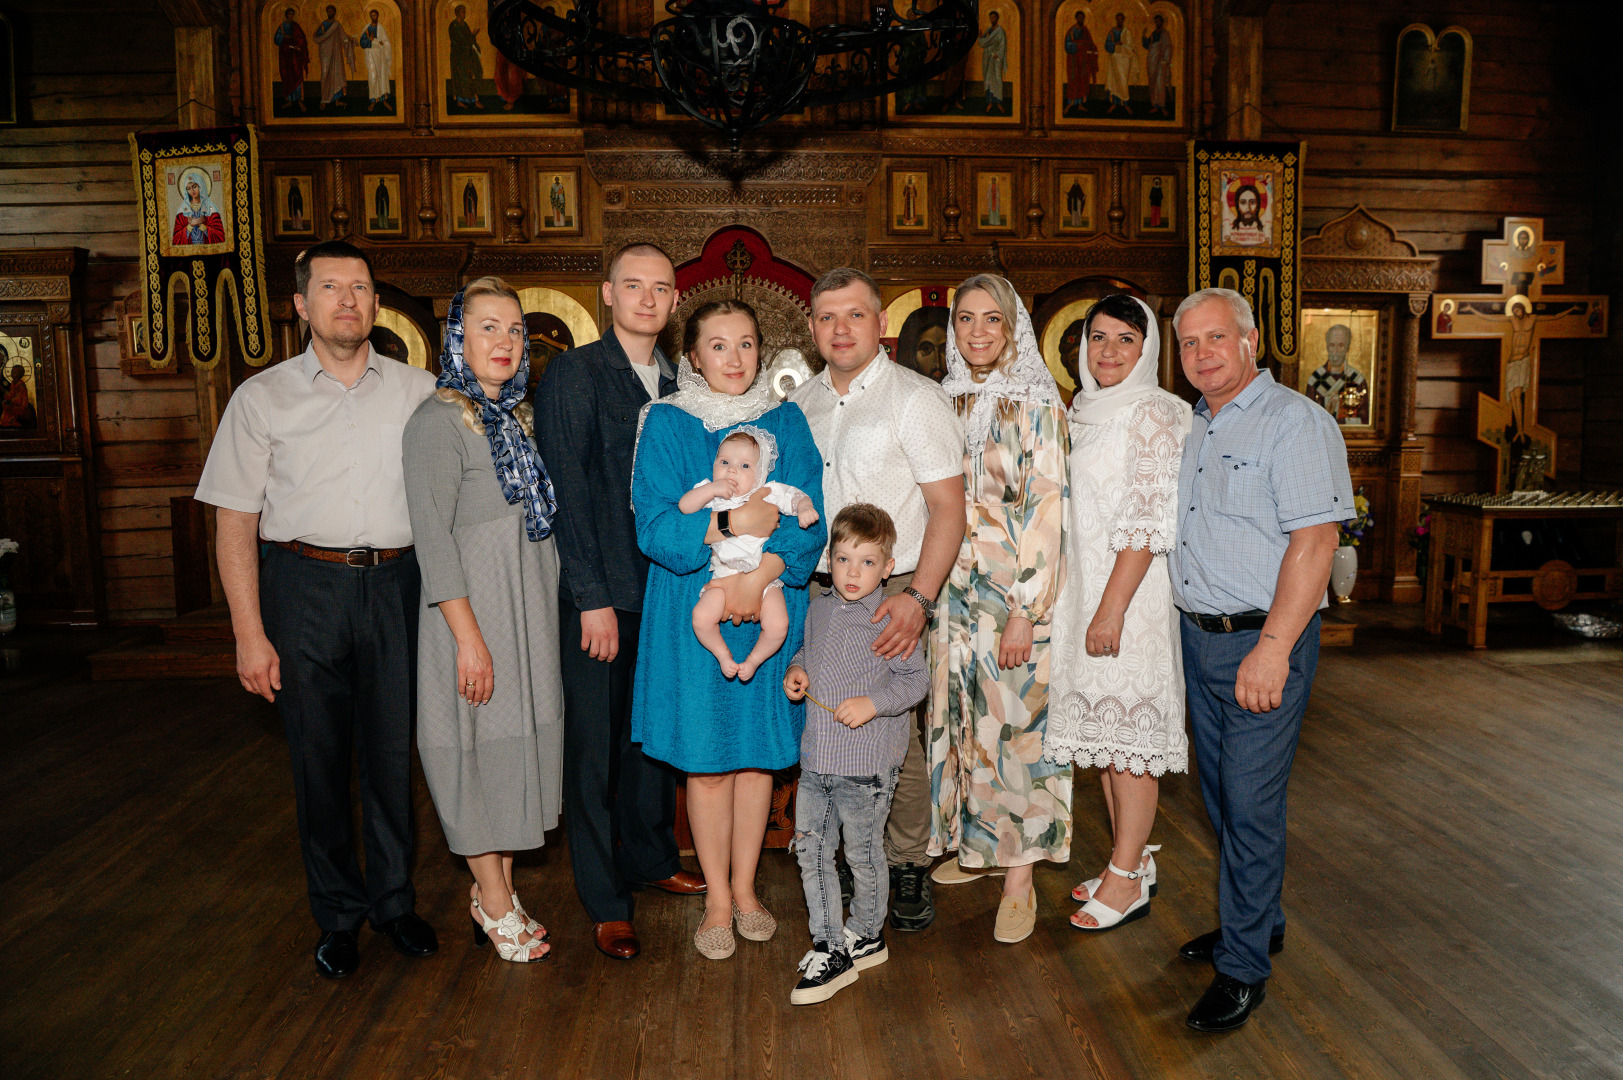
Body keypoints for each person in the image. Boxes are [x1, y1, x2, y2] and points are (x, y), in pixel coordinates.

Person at [194, 240, 438, 979]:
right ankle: (338, 915)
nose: (347, 301)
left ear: (375, 303)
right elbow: (233, 519)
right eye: (330, 288)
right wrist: (247, 633)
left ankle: (394, 903)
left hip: (399, 584)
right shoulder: (261, 398)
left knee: (393, 756)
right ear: (301, 305)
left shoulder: (419, 391)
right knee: (320, 759)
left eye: (360, 289)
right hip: (304, 586)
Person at [1169, 287, 1351, 1032]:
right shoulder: (1191, 425)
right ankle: (1258, 918)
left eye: (1216, 338)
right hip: (1196, 638)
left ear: (1250, 342)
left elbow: (1315, 543)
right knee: (1218, 798)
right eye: (1188, 345)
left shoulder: (1295, 424)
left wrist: (1272, 649)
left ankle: (1243, 966)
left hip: (1260, 640)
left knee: (1248, 805)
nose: (1202, 355)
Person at [631, 299, 827, 959]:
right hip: (691, 609)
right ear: (691, 355)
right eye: (717, 345)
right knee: (707, 763)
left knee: (755, 760)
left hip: (770, 598)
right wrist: (724, 529)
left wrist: (757, 575)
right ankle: (715, 897)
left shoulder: (785, 419)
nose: (734, 358)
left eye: (746, 344)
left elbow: (811, 516)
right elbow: (655, 527)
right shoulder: (664, 421)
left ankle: (746, 889)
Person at [535, 243, 706, 962]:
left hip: (666, 592)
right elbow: (567, 494)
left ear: (673, 302)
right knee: (597, 753)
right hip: (603, 596)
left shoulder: (682, 382)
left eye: (660, 288)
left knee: (650, 742)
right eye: (632, 285)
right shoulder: (576, 373)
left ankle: (651, 858)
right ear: (606, 294)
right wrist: (590, 598)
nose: (646, 298)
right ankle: (606, 899)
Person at [789, 267, 965, 933]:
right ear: (810, 328)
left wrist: (917, 597)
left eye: (854, 315)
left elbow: (949, 508)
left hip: (894, 587)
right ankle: (842, 851)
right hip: (821, 587)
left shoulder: (915, 400)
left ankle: (905, 862)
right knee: (830, 721)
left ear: (878, 324)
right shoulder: (799, 404)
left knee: (895, 733)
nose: (840, 328)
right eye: (827, 317)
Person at [403, 277, 562, 964]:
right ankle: (491, 900)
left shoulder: (512, 420)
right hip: (470, 621)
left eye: (515, 330)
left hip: (523, 615)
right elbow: (433, 541)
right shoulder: (436, 422)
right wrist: (469, 640)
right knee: (472, 757)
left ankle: (498, 891)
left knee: (505, 756)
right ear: (457, 339)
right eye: (488, 328)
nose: (504, 342)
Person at [926, 274, 1071, 944]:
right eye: (965, 320)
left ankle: (1019, 879)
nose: (978, 332)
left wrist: (1026, 610)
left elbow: (1047, 509)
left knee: (1016, 735)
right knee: (964, 726)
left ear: (1014, 329)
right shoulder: (942, 401)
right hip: (951, 595)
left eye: (992, 320)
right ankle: (979, 847)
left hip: (1011, 593)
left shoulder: (1037, 404)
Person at [1045, 294, 1190, 932]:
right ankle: (1127, 861)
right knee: (1105, 740)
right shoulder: (1084, 410)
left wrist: (1110, 612)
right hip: (1087, 595)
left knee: (1129, 741)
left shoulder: (1157, 412)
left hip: (1130, 599)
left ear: (1148, 349)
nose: (1108, 351)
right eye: (1098, 337)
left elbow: (1146, 525)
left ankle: (1127, 876)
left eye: (1125, 340)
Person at [783, 504, 929, 1005]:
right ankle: (827, 943)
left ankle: (866, 934)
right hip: (816, 759)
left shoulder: (890, 617)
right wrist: (797, 672)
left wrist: (873, 703)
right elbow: (808, 652)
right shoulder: (819, 606)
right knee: (812, 851)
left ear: (888, 567)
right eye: (843, 559)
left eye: (867, 562)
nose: (852, 572)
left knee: (863, 856)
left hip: (865, 767)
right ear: (830, 559)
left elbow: (915, 682)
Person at [680, 427, 820, 681]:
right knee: (700, 617)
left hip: (765, 577)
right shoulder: (712, 493)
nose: (731, 470)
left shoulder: (766, 492)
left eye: (745, 466)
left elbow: (795, 496)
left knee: (778, 625)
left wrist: (805, 508)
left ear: (760, 474)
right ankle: (723, 655)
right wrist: (710, 490)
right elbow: (685, 507)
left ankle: (754, 660)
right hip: (722, 575)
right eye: (724, 462)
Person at [1306, 323, 1369, 425]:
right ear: (1326, 347)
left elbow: (1364, 420)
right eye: (1332, 345)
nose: (1336, 350)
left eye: (1340, 345)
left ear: (1347, 348)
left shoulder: (1356, 379)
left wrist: (1337, 421)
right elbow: (1308, 417)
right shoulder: (1316, 379)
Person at [314, 5, 353, 109]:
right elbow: (316, 38)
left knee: (337, 74)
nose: (330, 12)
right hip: (325, 53)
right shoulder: (323, 25)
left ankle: (337, 101)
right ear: (326, 12)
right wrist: (322, 36)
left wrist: (349, 41)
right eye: (328, 11)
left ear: (334, 12)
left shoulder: (337, 25)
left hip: (336, 54)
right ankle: (324, 99)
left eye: (332, 11)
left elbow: (343, 37)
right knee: (325, 74)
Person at [448, 5, 484, 110]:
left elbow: (468, 38)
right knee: (462, 79)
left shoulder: (464, 25)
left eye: (464, 11)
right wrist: (471, 36)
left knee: (468, 78)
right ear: (457, 13)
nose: (464, 14)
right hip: (458, 57)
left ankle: (470, 100)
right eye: (462, 12)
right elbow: (459, 40)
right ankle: (467, 101)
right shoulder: (454, 25)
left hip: (466, 56)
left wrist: (473, 35)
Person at [274, 7, 309, 111]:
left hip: (295, 55)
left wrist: (299, 45)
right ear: (286, 15)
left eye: (292, 14)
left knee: (297, 75)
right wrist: (284, 38)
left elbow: (302, 38)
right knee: (287, 76)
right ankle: (289, 100)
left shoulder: (296, 26)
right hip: (285, 55)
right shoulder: (282, 26)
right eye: (289, 14)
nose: (291, 16)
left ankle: (298, 100)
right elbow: (276, 39)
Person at [172, 176, 224, 247]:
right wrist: (190, 226)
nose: (192, 191)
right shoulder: (182, 211)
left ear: (201, 186)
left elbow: (220, 236)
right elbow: (175, 240)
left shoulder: (211, 209)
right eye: (188, 188)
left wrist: (202, 226)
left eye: (194, 186)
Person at [1063, 11, 1099, 113]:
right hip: (1074, 60)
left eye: (1082, 18)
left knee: (1082, 81)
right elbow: (1067, 45)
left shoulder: (1085, 30)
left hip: (1083, 60)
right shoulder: (1071, 30)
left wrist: (1091, 49)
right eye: (1079, 17)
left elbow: (1090, 43)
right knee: (1073, 81)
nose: (1081, 19)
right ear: (1076, 18)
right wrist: (1077, 45)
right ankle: (1070, 104)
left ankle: (1080, 104)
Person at [358, 9, 392, 111]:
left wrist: (382, 44)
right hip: (370, 55)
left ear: (378, 16)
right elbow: (362, 43)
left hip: (380, 56)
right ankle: (373, 101)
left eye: (375, 15)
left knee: (382, 77)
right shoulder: (367, 29)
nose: (373, 17)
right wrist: (369, 40)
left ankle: (384, 100)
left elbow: (386, 42)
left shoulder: (381, 29)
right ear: (370, 17)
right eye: (371, 16)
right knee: (372, 76)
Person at [1103, 12, 1136, 114]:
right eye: (1118, 19)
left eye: (1121, 19)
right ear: (1116, 20)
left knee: (1123, 81)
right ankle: (1115, 103)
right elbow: (1107, 45)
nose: (1119, 21)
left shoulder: (1127, 32)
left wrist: (1122, 46)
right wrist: (1117, 44)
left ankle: (1125, 103)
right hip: (1114, 60)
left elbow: (1130, 47)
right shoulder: (1112, 32)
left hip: (1124, 61)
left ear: (1123, 20)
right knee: (1115, 82)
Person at [977, 10, 1007, 114]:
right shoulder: (989, 30)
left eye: (994, 17)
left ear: (997, 18)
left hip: (996, 60)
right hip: (988, 60)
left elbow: (1002, 47)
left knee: (997, 80)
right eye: (991, 17)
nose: (992, 19)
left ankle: (998, 102)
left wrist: (996, 54)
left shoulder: (1000, 32)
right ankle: (989, 102)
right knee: (988, 81)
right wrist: (981, 38)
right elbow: (983, 43)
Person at [1143, 14, 1173, 117]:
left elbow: (1168, 47)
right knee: (1152, 82)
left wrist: (1165, 60)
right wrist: (1143, 36)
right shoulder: (1153, 33)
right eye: (1156, 21)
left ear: (1162, 22)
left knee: (1160, 83)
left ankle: (1162, 106)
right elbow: (1147, 45)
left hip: (1161, 62)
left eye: (1159, 21)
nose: (1157, 23)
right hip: (1152, 60)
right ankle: (1154, 105)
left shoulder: (1165, 34)